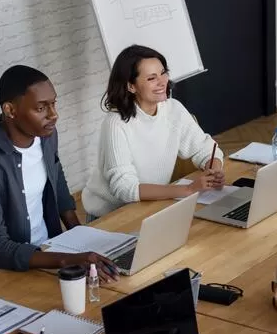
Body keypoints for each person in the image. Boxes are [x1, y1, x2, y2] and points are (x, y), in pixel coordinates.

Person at [0, 65, 119, 281]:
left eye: (53, 104)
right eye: (41, 108)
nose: (54, 115)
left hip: (51, 250)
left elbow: (57, 180)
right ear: (10, 110)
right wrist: (65, 260)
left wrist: (82, 240)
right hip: (6, 271)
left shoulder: (46, 136)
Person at [82, 45, 224, 219]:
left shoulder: (173, 109)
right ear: (131, 86)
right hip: (112, 216)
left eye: (163, 72)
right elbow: (125, 188)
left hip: (151, 205)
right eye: (151, 78)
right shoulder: (116, 123)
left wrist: (215, 170)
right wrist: (187, 189)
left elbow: (205, 148)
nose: (162, 81)